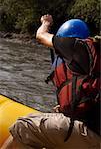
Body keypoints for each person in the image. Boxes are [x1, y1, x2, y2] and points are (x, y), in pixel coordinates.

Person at [1, 14, 100, 149]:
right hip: (93, 132)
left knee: (22, 127)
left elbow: (41, 35)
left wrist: (46, 22)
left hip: (90, 134)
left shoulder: (72, 45)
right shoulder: (92, 59)